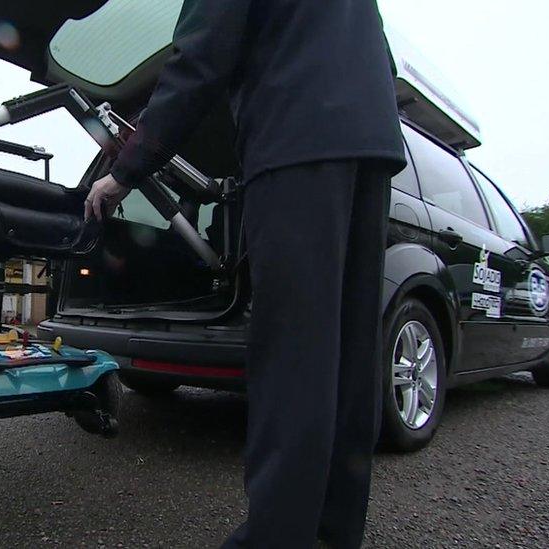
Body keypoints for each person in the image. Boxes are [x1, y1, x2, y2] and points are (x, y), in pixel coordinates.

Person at [83, 1, 406, 547]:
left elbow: (198, 61)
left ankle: (277, 538)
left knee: (295, 359)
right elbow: (381, 60)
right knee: (349, 359)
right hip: (369, 145)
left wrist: (125, 172)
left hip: (294, 138)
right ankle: (332, 533)